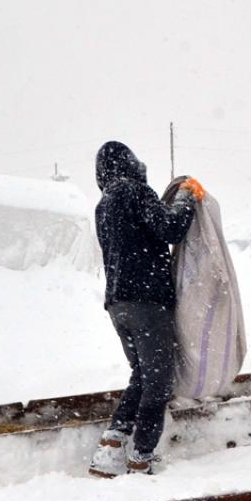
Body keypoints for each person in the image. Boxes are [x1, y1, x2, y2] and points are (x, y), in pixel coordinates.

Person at [89, 140, 205, 477]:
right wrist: (186, 199)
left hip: (118, 304)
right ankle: (141, 456)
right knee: (159, 382)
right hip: (146, 302)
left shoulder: (104, 203)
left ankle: (112, 445)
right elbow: (171, 229)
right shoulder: (134, 191)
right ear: (128, 163)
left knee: (142, 375)